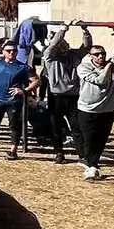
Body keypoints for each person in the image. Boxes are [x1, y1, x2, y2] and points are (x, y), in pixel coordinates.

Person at [74, 37, 114, 181]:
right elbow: (100, 80)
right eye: (97, 54)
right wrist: (109, 66)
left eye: (103, 54)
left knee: (102, 139)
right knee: (89, 139)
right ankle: (91, 165)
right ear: (90, 56)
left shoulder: (113, 66)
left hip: (107, 110)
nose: (101, 56)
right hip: (87, 109)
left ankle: (93, 164)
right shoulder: (83, 67)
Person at [0, 39, 35, 159]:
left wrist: (24, 91)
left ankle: (13, 151)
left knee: (14, 125)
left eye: (14, 51)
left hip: (14, 101)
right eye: (9, 51)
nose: (12, 53)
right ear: (3, 52)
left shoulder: (23, 67)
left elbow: (36, 81)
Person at [37, 31, 80, 164]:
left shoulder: (74, 56)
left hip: (73, 96)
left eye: (64, 44)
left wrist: (85, 30)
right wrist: (63, 30)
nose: (61, 46)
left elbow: (87, 47)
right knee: (56, 126)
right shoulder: (50, 57)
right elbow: (52, 46)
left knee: (76, 126)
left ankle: (82, 153)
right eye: (59, 44)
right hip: (56, 96)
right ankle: (59, 152)